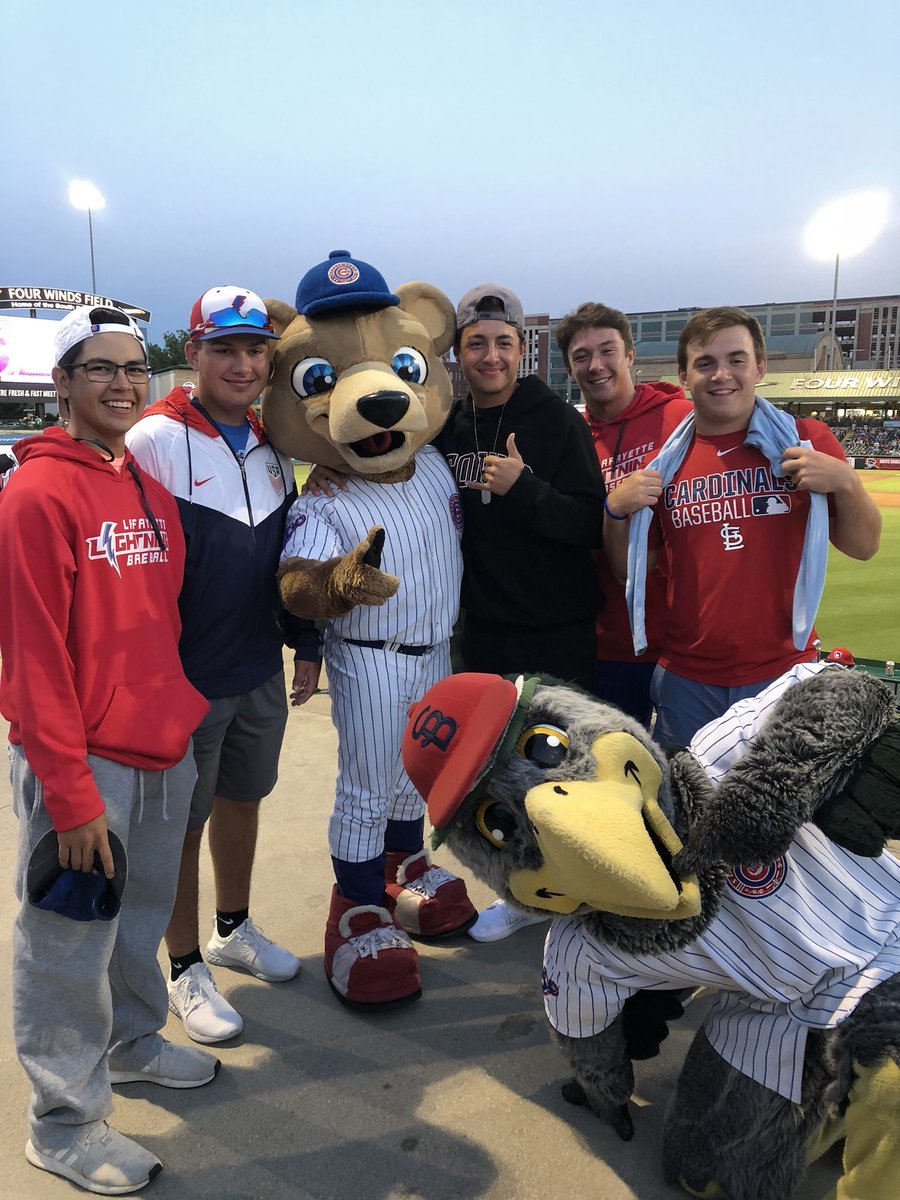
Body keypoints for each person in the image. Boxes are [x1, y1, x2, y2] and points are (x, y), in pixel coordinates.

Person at [0, 307, 216, 1194]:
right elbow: (33, 657)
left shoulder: (142, 484)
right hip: (83, 761)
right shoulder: (36, 495)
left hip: (161, 745)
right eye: (101, 369)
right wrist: (71, 790)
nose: (124, 383)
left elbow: (155, 626)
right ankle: (63, 1124)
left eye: (134, 368)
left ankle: (130, 1044)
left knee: (139, 915)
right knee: (64, 942)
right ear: (62, 382)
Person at [126, 287, 320, 1044]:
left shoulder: (273, 441)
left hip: (256, 668)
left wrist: (305, 643)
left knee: (245, 800)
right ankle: (182, 966)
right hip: (183, 682)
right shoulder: (154, 440)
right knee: (179, 825)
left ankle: (230, 929)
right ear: (195, 354)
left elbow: (288, 554)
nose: (242, 364)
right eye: (224, 349)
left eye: (254, 350)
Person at [603, 306, 882, 746]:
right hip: (687, 678)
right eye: (705, 363)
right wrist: (614, 514)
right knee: (689, 811)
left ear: (760, 367)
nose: (721, 375)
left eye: (736, 359)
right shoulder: (665, 466)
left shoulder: (805, 442)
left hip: (783, 672)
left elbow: (865, 546)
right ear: (683, 375)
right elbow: (630, 572)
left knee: (780, 811)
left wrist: (846, 482)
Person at [555, 302, 693, 725]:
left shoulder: (681, 418)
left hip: (682, 644)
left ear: (630, 355)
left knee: (689, 775)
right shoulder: (568, 437)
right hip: (607, 645)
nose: (596, 365)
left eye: (607, 350)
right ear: (570, 368)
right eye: (581, 356)